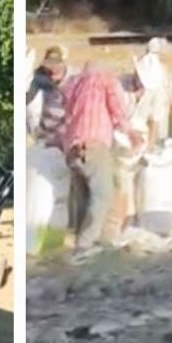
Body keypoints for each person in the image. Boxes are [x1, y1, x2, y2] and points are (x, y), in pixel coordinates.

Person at [62, 61, 139, 249]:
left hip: (72, 149)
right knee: (103, 195)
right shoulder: (106, 81)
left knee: (82, 197)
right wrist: (131, 133)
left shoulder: (73, 83)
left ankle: (75, 239)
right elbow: (118, 111)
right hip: (94, 146)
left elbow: (65, 111)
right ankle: (85, 244)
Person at [26, 46, 68, 147]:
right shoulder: (37, 80)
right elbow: (27, 99)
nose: (53, 67)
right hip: (42, 133)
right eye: (50, 61)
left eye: (57, 61)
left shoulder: (71, 79)